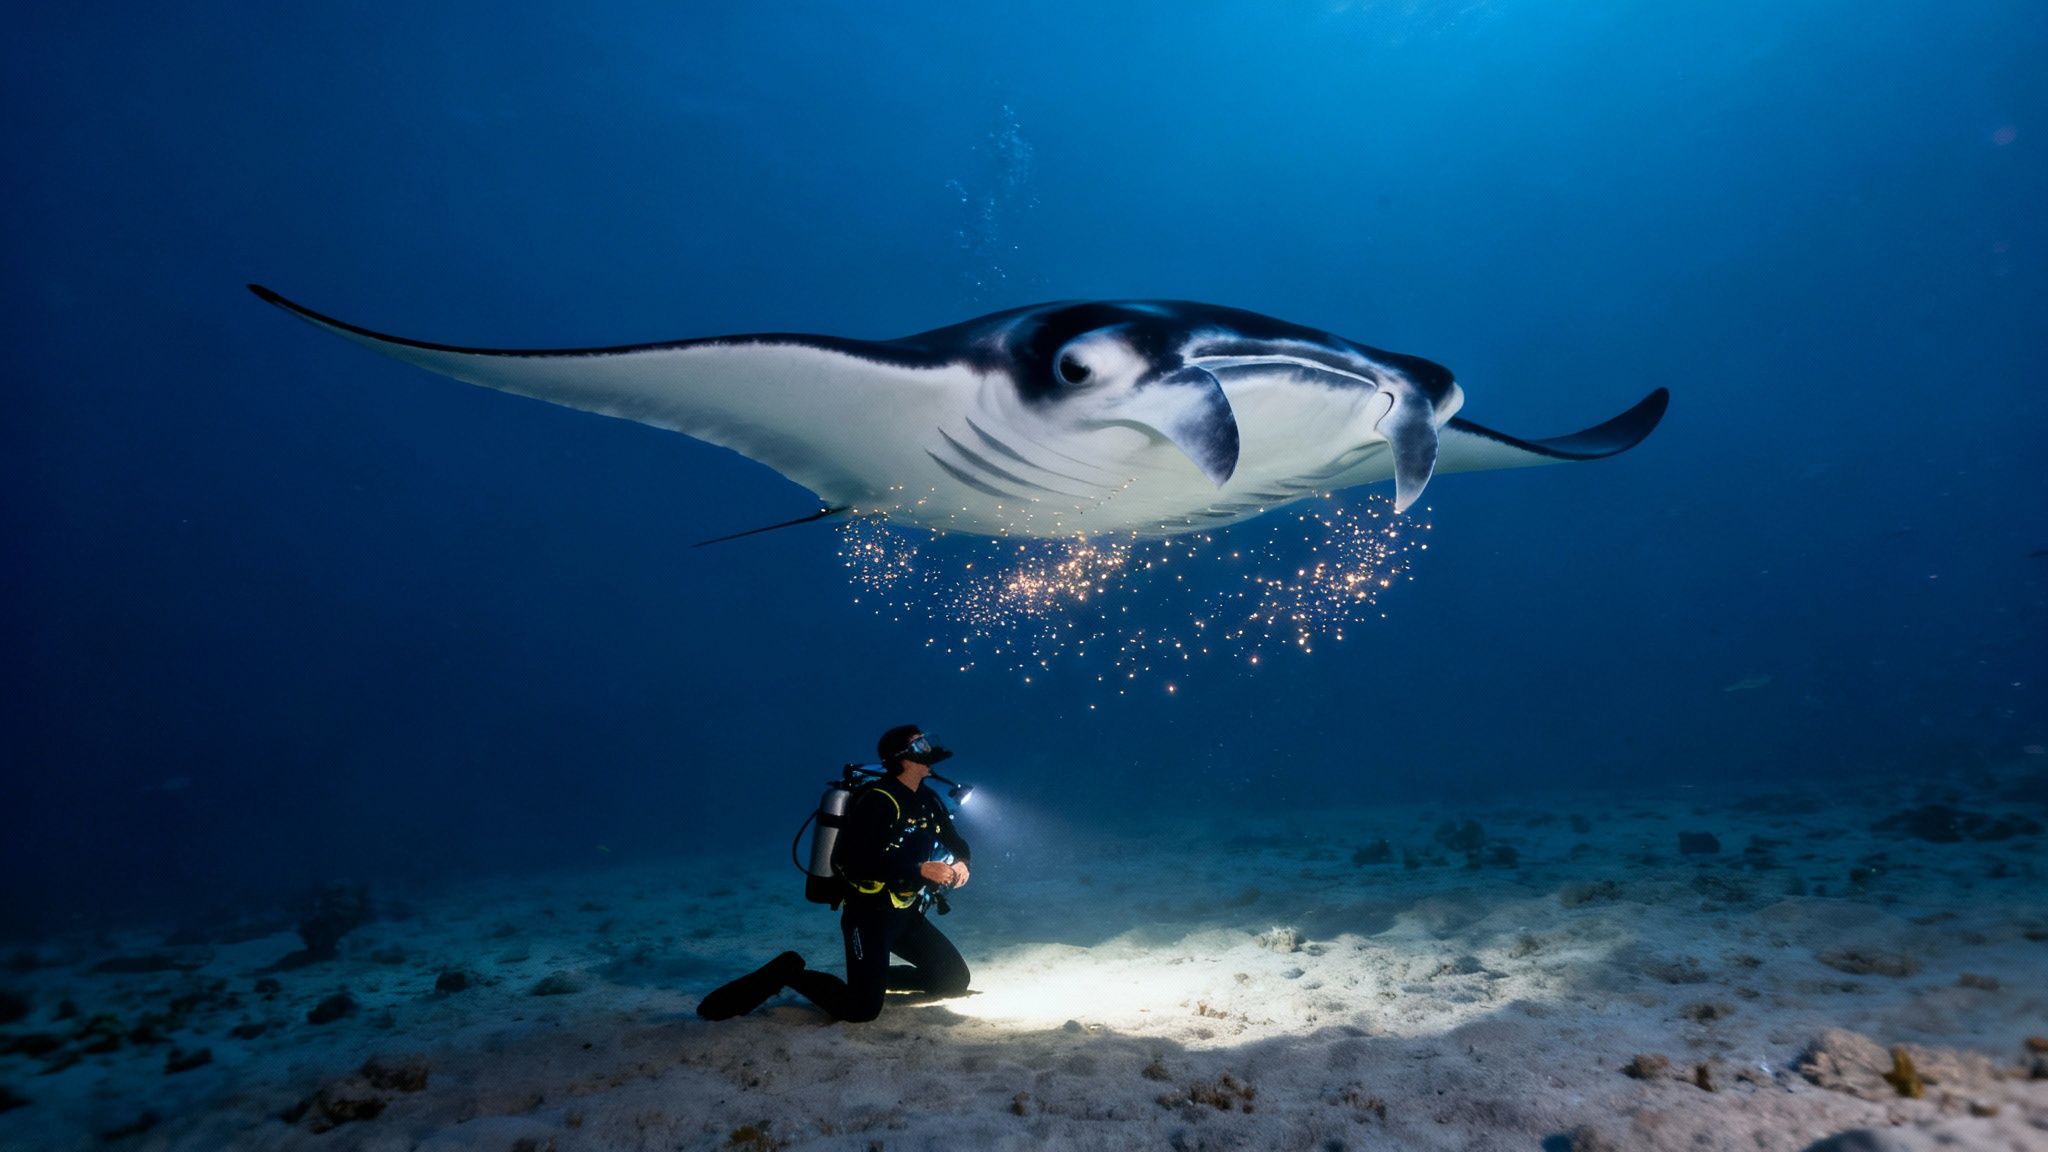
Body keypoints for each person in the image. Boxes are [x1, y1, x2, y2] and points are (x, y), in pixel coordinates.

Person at [696, 725, 973, 1023]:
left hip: (906, 914)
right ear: (903, 759)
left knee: (953, 980)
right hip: (869, 916)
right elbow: (853, 861)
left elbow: (954, 840)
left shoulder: (927, 799)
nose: (929, 752)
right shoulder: (878, 800)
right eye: (920, 746)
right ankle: (789, 972)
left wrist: (961, 861)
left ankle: (871, 979)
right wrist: (919, 869)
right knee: (861, 1010)